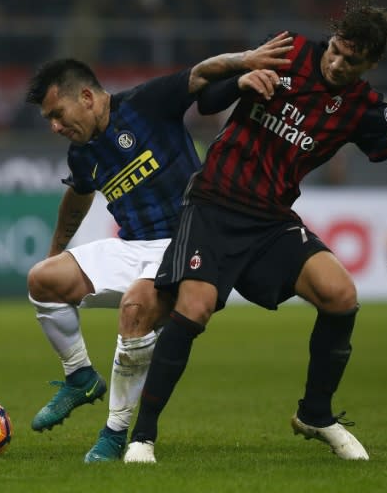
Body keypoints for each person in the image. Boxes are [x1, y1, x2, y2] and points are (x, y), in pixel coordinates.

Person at [123, 0, 387, 464]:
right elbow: (205, 100)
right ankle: (142, 438)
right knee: (195, 308)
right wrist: (241, 81)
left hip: (270, 221)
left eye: (352, 61)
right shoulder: (287, 52)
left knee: (340, 294)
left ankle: (316, 413)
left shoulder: (367, 110)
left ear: (370, 63)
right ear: (333, 38)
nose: (337, 63)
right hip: (214, 203)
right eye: (336, 50)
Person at [24, 37, 294, 462]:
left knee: (134, 310)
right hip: (134, 245)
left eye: (58, 114)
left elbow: (201, 74)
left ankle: (115, 433)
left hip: (191, 242)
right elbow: (78, 195)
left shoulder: (145, 103)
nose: (55, 126)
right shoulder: (81, 154)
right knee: (42, 280)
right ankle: (80, 378)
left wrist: (244, 61)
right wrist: (55, 250)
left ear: (89, 97)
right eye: (49, 119)